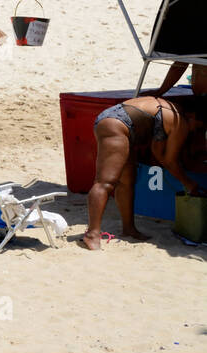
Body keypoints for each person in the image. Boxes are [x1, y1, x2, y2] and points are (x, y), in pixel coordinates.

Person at [83, 65, 206, 250]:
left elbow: (159, 152)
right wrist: (188, 183)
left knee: (127, 181)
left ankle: (129, 228)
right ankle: (92, 234)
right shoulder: (180, 122)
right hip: (117, 126)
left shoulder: (171, 110)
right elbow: (170, 161)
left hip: (117, 121)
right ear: (193, 117)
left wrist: (184, 179)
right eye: (199, 126)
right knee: (105, 182)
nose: (197, 130)